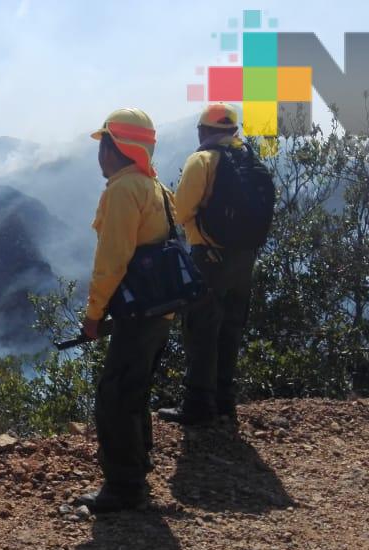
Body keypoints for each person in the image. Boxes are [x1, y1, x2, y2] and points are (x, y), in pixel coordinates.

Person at [74, 108, 174, 513]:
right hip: (160, 309)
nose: (100, 154)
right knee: (134, 389)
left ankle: (124, 487)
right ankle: (137, 466)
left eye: (104, 145)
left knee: (113, 396)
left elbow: (112, 260)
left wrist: (94, 313)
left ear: (118, 148)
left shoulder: (122, 190)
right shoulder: (154, 186)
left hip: (137, 313)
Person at [158, 103, 256, 426]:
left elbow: (180, 211)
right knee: (230, 327)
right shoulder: (248, 159)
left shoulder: (201, 161)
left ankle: (198, 405)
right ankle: (225, 401)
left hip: (210, 257)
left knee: (201, 328)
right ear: (233, 130)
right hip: (244, 259)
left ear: (203, 131)